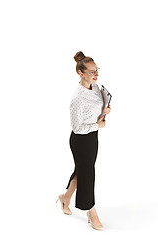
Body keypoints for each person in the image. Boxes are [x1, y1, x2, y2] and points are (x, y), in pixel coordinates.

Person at [56, 51, 111, 230]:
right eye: (92, 72)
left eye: (97, 70)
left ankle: (65, 198)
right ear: (81, 73)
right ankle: (91, 211)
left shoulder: (94, 87)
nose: (96, 74)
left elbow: (96, 107)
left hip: (92, 138)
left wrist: (105, 110)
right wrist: (98, 125)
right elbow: (77, 128)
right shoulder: (77, 98)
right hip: (81, 140)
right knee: (87, 174)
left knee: (82, 171)